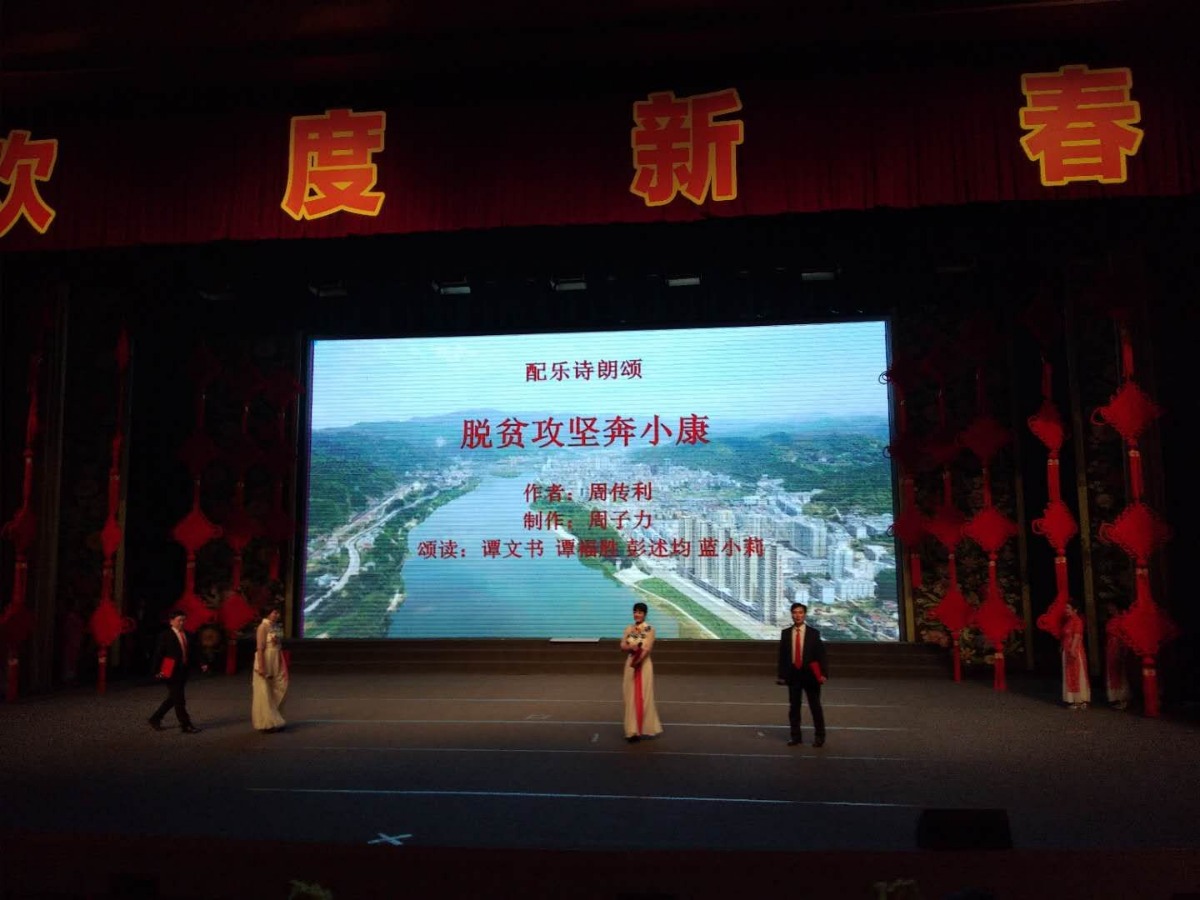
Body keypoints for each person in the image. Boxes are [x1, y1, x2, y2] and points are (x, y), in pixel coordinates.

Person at [776, 602, 828, 747]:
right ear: (791, 614)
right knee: (794, 708)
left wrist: (823, 673)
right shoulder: (786, 633)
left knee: (815, 707)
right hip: (793, 675)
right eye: (795, 612)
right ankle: (795, 737)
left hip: (811, 676)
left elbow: (821, 655)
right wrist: (782, 675)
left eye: (800, 612)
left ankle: (819, 737)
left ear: (804, 615)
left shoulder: (813, 633)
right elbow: (783, 656)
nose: (797, 615)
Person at [148, 609, 203, 733]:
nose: (182, 623)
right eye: (179, 620)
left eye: (183, 620)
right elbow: (158, 654)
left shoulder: (188, 634)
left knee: (174, 697)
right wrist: (156, 671)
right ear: (171, 621)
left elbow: (194, 650)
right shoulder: (165, 635)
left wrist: (202, 663)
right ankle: (186, 725)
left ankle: (155, 718)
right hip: (168, 667)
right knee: (179, 699)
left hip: (183, 669)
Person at [620, 602, 663, 743]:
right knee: (629, 696)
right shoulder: (629, 628)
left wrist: (638, 661)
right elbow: (623, 645)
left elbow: (647, 649)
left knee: (644, 696)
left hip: (643, 665)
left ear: (645, 614)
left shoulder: (649, 629)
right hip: (630, 664)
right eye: (635, 612)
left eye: (639, 612)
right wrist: (631, 649)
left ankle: (642, 729)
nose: (636, 614)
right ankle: (631, 730)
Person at [252, 605, 289, 733]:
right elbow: (260, 648)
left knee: (279, 686)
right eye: (275, 613)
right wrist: (261, 667)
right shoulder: (262, 627)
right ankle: (266, 722)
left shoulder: (275, 627)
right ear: (268, 613)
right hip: (266, 660)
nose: (277, 615)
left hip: (275, 659)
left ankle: (275, 717)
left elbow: (278, 646)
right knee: (264, 691)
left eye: (278, 613)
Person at [1061, 602, 1091, 710]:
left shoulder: (1078, 621)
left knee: (1078, 675)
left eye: (1068, 608)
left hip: (1075, 650)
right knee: (1069, 675)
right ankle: (1073, 699)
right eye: (1065, 608)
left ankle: (1081, 700)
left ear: (1075, 610)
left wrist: (1073, 650)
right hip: (1067, 650)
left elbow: (1077, 636)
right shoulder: (1068, 621)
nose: (1066, 610)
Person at [1103, 602, 1130, 710]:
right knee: (1112, 672)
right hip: (1111, 647)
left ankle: (1123, 698)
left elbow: (1125, 636)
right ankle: (1115, 697)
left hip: (1118, 646)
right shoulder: (1111, 620)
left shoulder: (1122, 619)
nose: (1109, 608)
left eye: (1111, 606)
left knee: (1120, 673)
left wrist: (1123, 649)